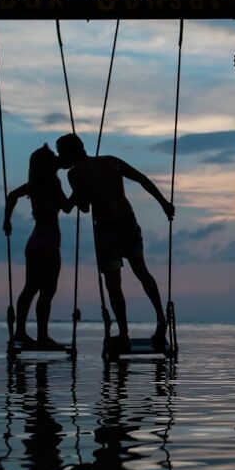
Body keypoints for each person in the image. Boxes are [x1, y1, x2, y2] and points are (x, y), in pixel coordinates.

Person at [56, 133, 174, 351]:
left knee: (113, 286)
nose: (58, 157)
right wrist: (164, 204)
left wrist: (67, 185)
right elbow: (142, 179)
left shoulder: (74, 174)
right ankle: (160, 317)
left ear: (68, 154)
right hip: (129, 223)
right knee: (142, 272)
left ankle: (124, 333)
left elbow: (82, 207)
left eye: (60, 153)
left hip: (107, 231)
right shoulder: (111, 161)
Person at [4, 144, 74, 347]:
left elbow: (11, 196)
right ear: (47, 165)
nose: (56, 159)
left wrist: (7, 220)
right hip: (48, 243)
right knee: (47, 291)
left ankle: (20, 332)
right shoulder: (53, 183)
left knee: (30, 288)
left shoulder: (34, 184)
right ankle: (42, 336)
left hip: (34, 242)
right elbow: (67, 208)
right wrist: (80, 192)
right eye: (53, 157)